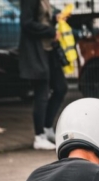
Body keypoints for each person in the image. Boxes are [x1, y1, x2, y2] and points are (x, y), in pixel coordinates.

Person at [19, 0, 68, 150]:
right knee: (41, 93)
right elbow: (27, 23)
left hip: (49, 51)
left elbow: (42, 19)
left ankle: (47, 128)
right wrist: (51, 31)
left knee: (60, 88)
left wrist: (55, 19)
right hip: (36, 52)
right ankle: (39, 136)